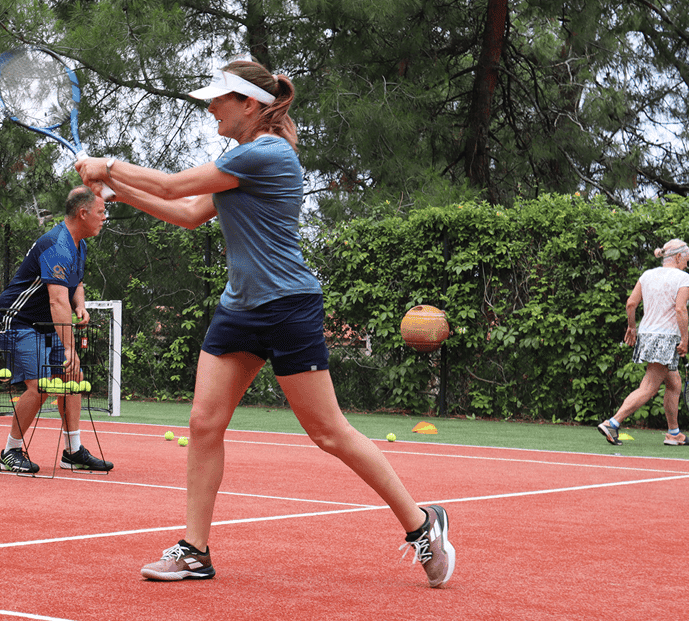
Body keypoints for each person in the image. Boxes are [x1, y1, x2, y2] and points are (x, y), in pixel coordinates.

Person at [76, 57, 454, 588]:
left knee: (329, 432)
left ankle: (422, 524)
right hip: (239, 309)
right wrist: (117, 190)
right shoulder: (240, 159)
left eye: (218, 100)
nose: (210, 108)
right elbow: (186, 212)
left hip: (288, 307)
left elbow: (171, 185)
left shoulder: (266, 153)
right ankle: (194, 551)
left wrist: (109, 166)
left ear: (248, 105)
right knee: (204, 424)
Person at [0, 186, 114, 474]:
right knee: (40, 385)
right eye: (100, 212)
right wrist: (70, 347)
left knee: (73, 377)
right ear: (83, 213)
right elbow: (57, 299)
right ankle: (10, 451)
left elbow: (75, 285)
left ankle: (73, 452)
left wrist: (80, 306)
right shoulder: (56, 244)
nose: (104, 217)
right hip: (15, 321)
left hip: (45, 324)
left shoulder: (78, 244)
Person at [597, 239, 689, 447]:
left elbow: (631, 303)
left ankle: (673, 433)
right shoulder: (683, 278)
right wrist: (685, 339)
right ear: (677, 257)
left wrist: (632, 327)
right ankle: (613, 422)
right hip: (665, 338)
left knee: (674, 383)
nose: (686, 264)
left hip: (647, 336)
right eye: (686, 260)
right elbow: (680, 310)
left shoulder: (647, 275)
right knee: (649, 386)